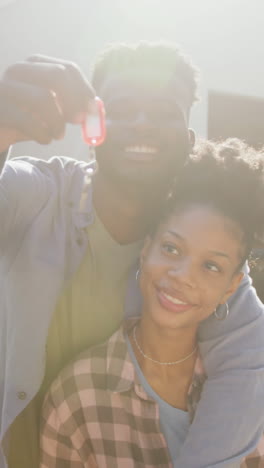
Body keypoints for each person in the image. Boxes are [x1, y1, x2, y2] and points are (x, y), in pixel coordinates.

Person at [0, 42, 263, 468]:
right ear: (93, 128)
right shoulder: (35, 195)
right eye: (121, 109)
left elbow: (246, 375)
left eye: (164, 113)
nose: (142, 124)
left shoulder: (200, 260)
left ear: (188, 140)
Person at [40, 139, 264, 467]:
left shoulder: (251, 387)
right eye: (172, 248)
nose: (182, 276)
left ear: (232, 287)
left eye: (211, 266)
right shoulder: (76, 395)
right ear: (146, 250)